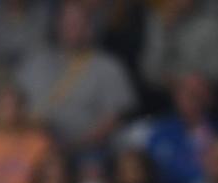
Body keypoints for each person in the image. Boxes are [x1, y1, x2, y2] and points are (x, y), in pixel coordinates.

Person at [14, 1, 136, 155]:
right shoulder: (35, 61)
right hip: (32, 145)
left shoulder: (108, 66)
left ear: (90, 28)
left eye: (77, 23)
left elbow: (114, 119)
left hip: (86, 149)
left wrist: (73, 145)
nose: (70, 28)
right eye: (66, 22)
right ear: (57, 24)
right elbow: (15, 102)